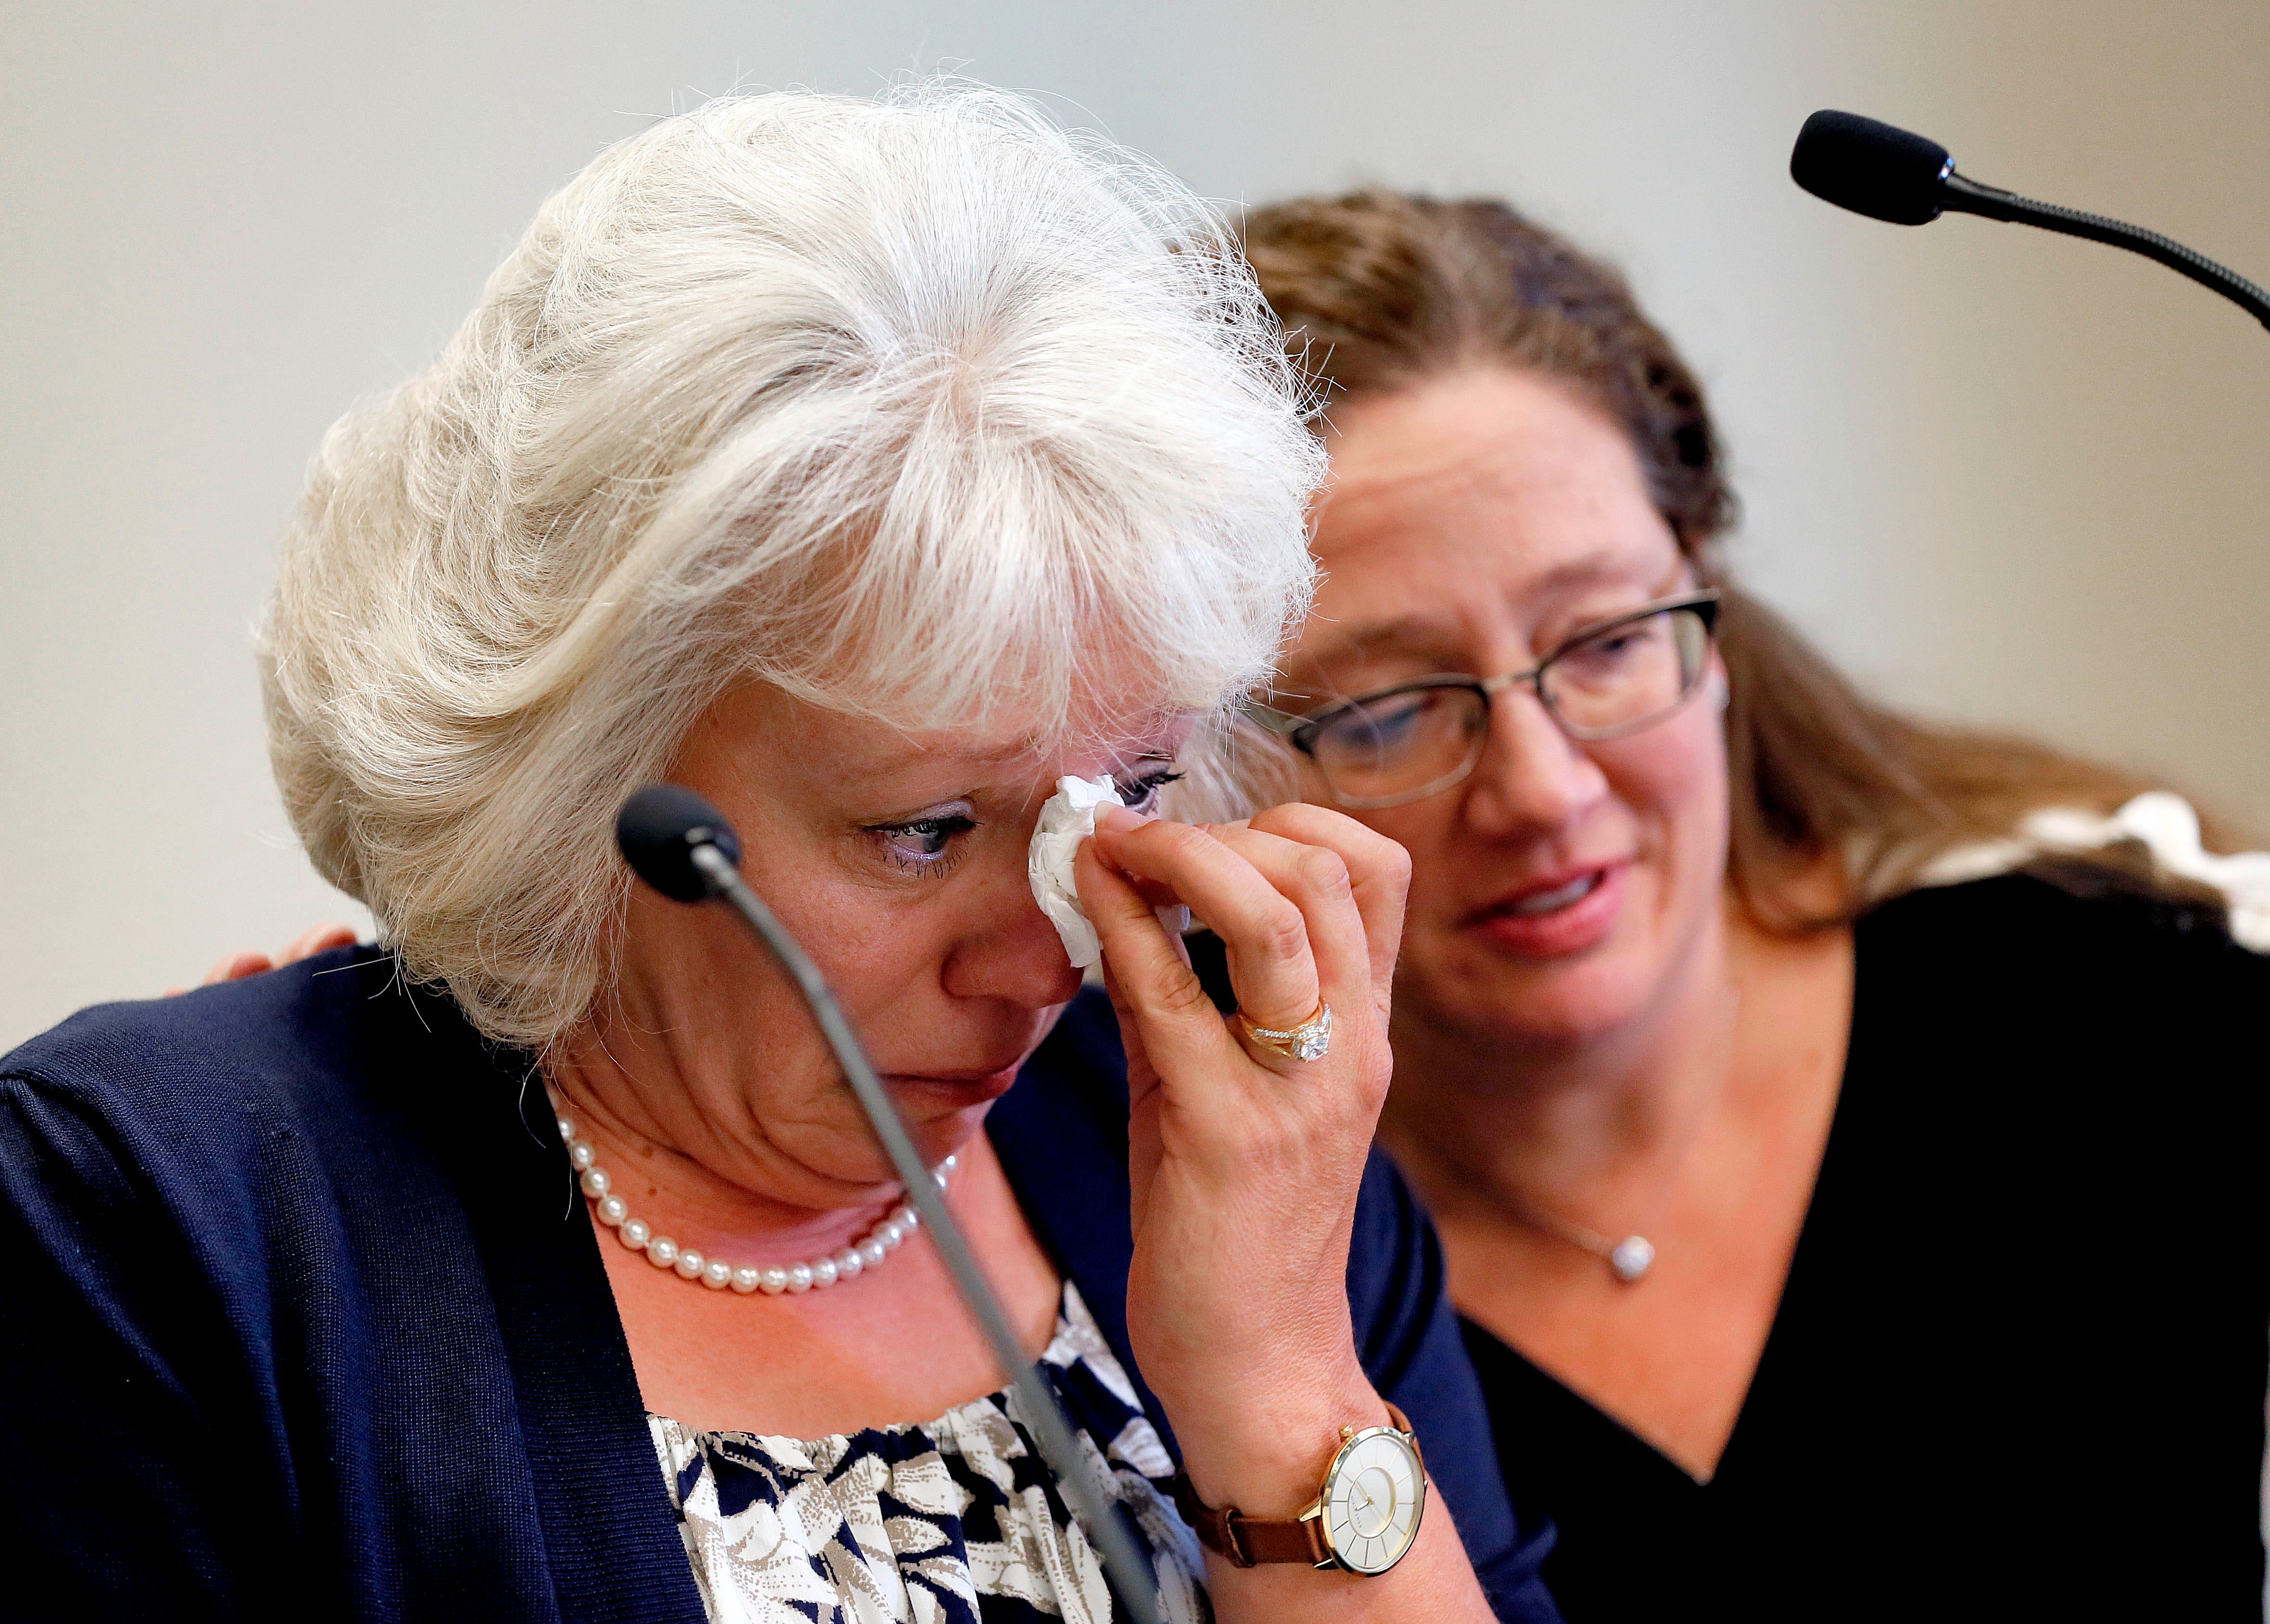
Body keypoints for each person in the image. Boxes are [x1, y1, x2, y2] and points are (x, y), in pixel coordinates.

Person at [0, 98, 1561, 1624]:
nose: (1045, 957)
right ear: (578, 776)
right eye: (923, 830)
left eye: (1130, 788)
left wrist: (1283, 1385)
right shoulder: (154, 1225)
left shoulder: (1240, 1166)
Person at [1217, 190, 2270, 1619]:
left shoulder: (2121, 1008)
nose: (1539, 787)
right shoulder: (1231, 1269)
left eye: (1603, 642)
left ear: (1709, 619)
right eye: (1391, 710)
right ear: (1210, 765)